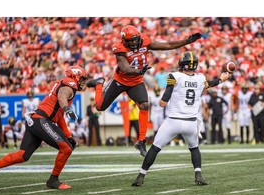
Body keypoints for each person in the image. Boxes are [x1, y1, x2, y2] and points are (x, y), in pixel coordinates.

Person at [86, 25, 202, 157]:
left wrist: (186, 41)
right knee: (100, 107)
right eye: (131, 41)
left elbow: (168, 45)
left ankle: (141, 141)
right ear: (124, 41)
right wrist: (138, 71)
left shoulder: (145, 41)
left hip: (136, 82)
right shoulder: (119, 48)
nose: (134, 42)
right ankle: (99, 83)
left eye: (135, 39)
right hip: (120, 81)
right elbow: (124, 68)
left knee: (145, 105)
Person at [0, 65, 88, 190]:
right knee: (66, 148)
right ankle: (53, 180)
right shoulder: (69, 84)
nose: (83, 82)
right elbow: (62, 96)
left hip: (36, 120)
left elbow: (59, 117)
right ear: (75, 76)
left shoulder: (63, 84)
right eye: (82, 79)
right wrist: (67, 108)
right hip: (41, 120)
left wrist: (68, 135)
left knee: (22, 155)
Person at [131, 51, 230, 187]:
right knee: (194, 148)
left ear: (182, 64)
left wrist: (162, 102)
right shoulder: (200, 78)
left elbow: (164, 101)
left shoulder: (175, 76)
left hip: (174, 121)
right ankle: (198, 174)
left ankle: (141, 176)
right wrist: (221, 79)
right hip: (191, 122)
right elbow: (210, 84)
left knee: (155, 148)